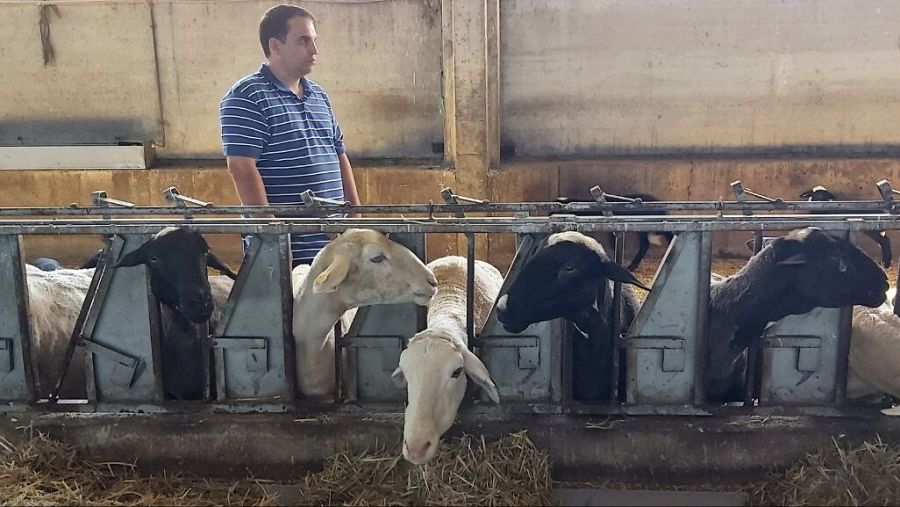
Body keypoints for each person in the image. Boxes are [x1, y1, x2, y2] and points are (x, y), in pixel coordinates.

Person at [219, 4, 360, 266]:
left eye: (314, 41)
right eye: (304, 41)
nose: (314, 50)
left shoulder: (318, 95)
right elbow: (241, 168)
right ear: (276, 46)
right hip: (289, 255)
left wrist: (355, 218)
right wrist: (275, 238)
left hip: (334, 249)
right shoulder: (247, 97)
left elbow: (339, 153)